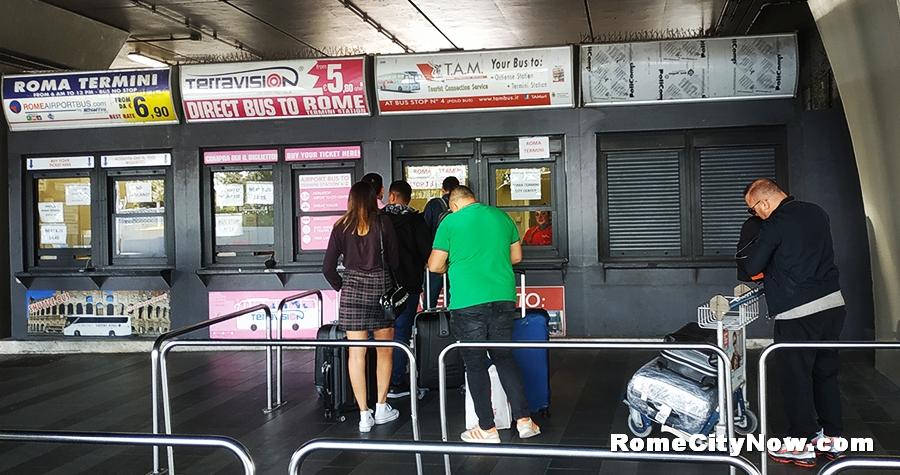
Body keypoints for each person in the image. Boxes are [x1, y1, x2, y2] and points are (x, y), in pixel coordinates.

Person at [736, 178, 846, 467]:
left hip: (797, 312)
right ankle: (832, 440)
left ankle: (799, 444)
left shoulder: (775, 223)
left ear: (764, 203)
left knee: (796, 379)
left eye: (754, 210)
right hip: (833, 305)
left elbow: (752, 266)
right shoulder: (816, 211)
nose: (755, 216)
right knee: (825, 373)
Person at [427, 185, 540, 443]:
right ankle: (524, 421)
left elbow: (434, 265)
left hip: (468, 302)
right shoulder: (501, 217)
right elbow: (516, 257)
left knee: (475, 363)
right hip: (502, 298)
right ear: (473, 199)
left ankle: (487, 428)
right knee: (504, 357)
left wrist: (454, 263)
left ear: (453, 204)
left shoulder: (451, 222)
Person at [322, 181, 400, 433]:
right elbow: (395, 259)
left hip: (353, 292)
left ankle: (364, 415)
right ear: (371, 199)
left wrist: (341, 285)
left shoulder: (340, 226)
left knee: (356, 353)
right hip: (380, 290)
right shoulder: (383, 222)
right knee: (384, 351)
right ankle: (381, 406)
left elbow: (327, 268)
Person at [381, 180, 432, 399]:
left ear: (391, 196)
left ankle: (378, 381)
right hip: (408, 285)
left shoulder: (378, 219)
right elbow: (427, 252)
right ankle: (396, 382)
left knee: (379, 333)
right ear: (408, 198)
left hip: (381, 285)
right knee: (401, 332)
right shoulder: (416, 221)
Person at [423, 176, 459, 308]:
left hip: (436, 257)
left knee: (430, 301)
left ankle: (429, 326)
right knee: (454, 300)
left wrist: (427, 259)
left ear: (443, 189)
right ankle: (452, 326)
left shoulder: (433, 205)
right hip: (456, 259)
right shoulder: (462, 206)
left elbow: (425, 232)